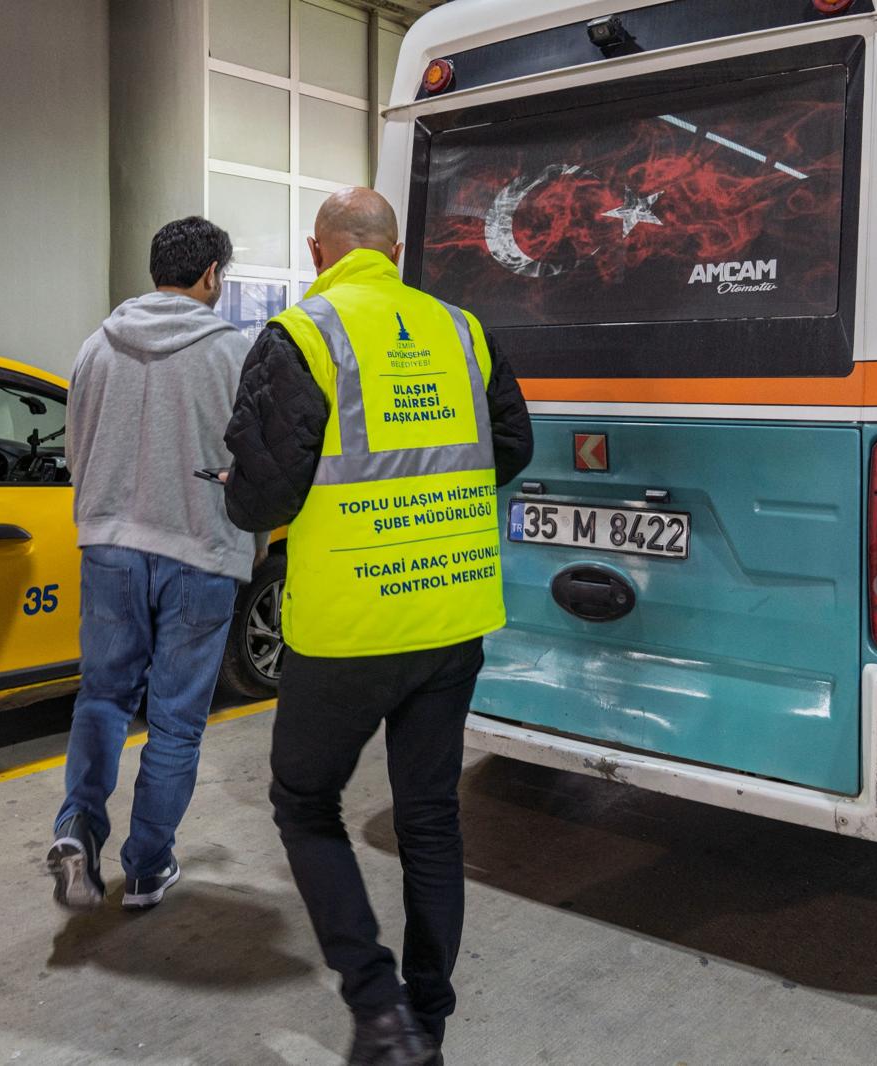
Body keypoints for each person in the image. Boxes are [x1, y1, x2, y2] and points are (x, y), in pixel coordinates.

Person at [224, 188, 533, 1066]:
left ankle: (378, 1007)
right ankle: (427, 1019)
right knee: (430, 819)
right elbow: (512, 446)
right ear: (395, 253)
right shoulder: (464, 332)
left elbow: (260, 498)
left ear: (317, 250)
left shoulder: (303, 335)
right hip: (453, 613)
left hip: (349, 626)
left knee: (304, 802)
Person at [47, 217, 255, 912]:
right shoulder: (233, 353)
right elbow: (256, 463)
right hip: (199, 552)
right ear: (210, 275)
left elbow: (74, 451)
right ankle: (146, 868)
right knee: (174, 722)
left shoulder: (96, 346)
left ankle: (79, 829)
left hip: (109, 547)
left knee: (102, 698)